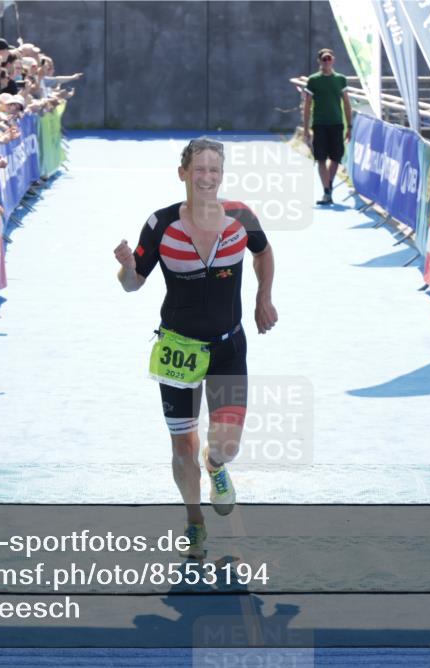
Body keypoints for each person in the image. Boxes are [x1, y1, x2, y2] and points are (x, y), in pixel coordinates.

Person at [113, 137, 278, 560]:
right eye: (199, 169)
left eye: (214, 170)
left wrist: (264, 297)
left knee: (225, 446)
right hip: (177, 350)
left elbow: (264, 253)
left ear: (222, 175)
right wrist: (128, 268)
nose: (207, 177)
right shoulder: (161, 224)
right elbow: (133, 285)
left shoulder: (241, 217)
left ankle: (217, 466)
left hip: (228, 348)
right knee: (181, 446)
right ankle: (193, 520)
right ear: (183, 172)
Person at [302, 48, 352, 206]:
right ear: (319, 61)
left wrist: (349, 126)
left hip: (337, 124)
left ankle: (328, 185)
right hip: (320, 124)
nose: (327, 61)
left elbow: (346, 103)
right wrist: (306, 128)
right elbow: (308, 104)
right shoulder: (313, 80)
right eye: (324, 59)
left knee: (335, 158)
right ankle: (326, 191)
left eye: (329, 58)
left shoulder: (340, 79)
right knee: (321, 158)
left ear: (333, 60)